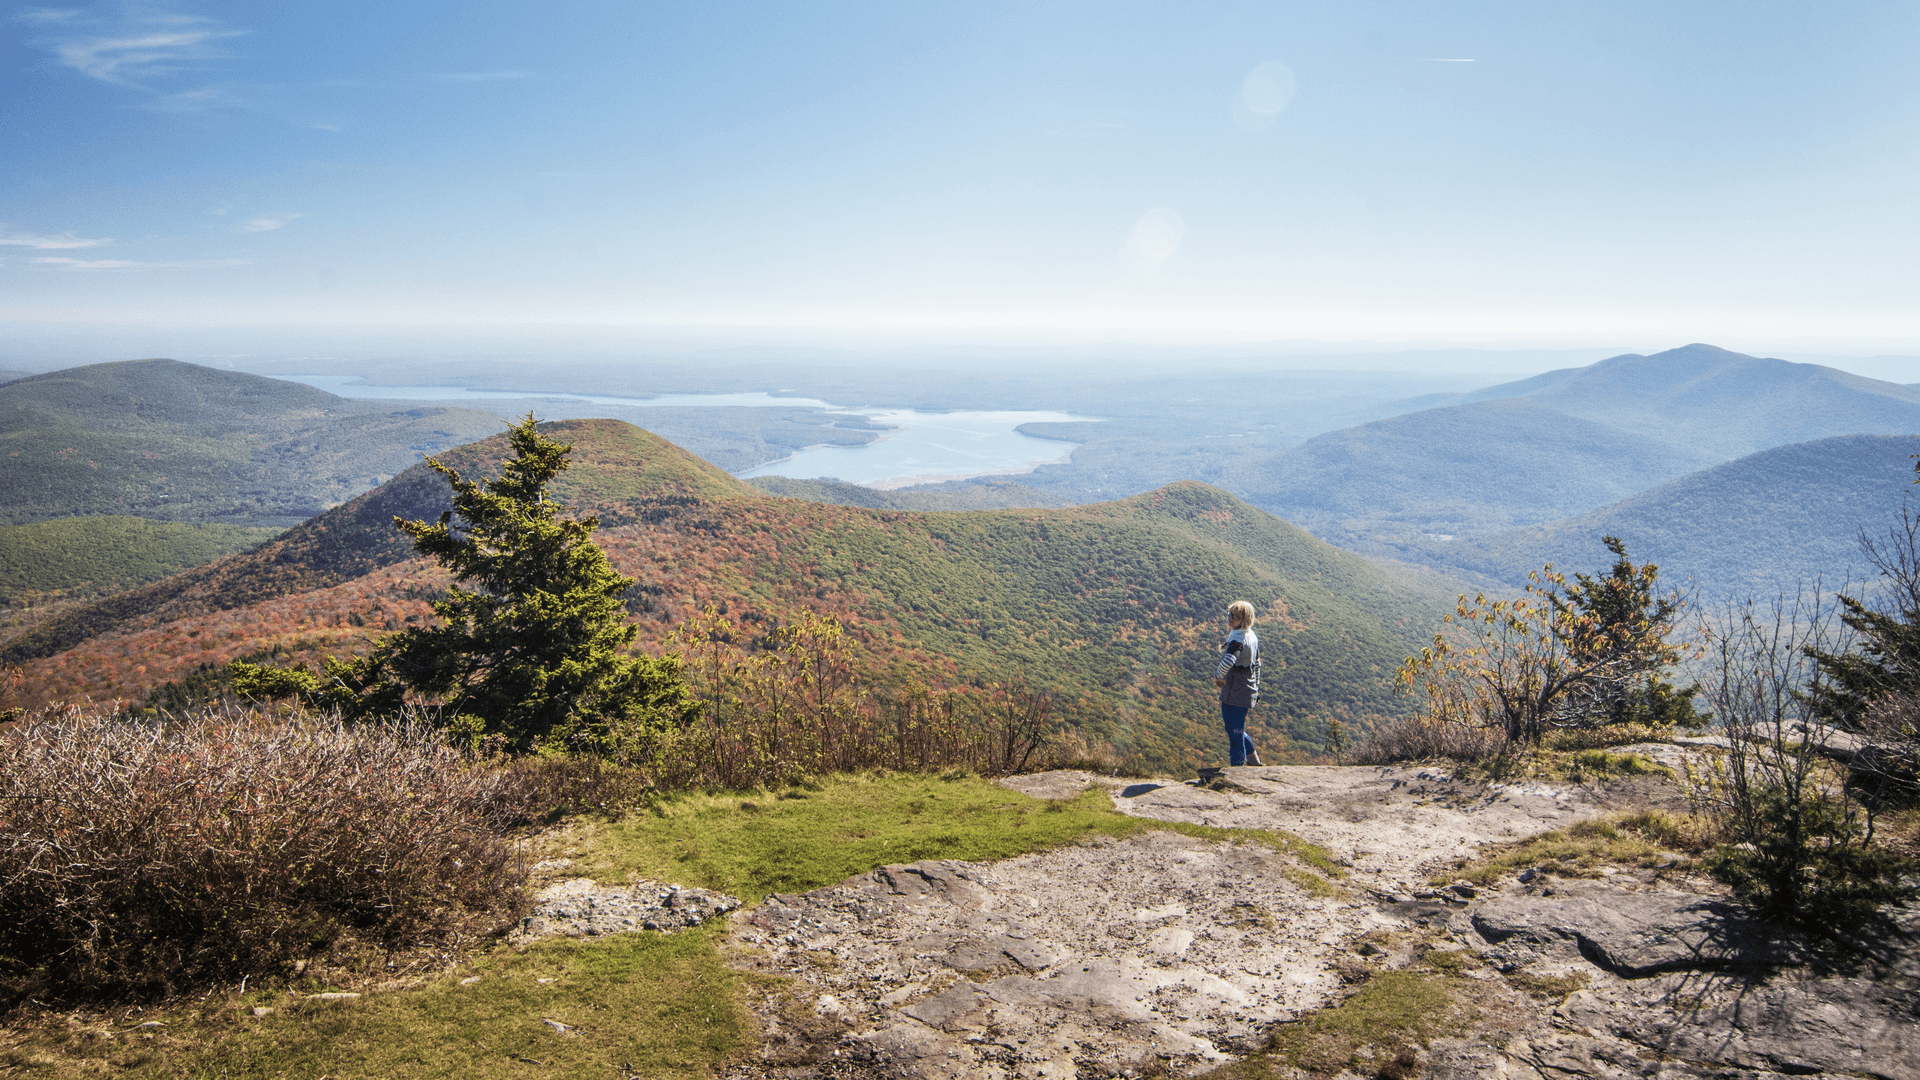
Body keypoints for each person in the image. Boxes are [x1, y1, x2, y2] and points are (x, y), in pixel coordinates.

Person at [1213, 600, 1263, 767]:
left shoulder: (1238, 639)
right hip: (1246, 690)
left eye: (1234, 616)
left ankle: (1238, 773)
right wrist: (1256, 688)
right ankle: (1254, 761)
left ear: (1244, 619)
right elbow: (1257, 664)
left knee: (1234, 734)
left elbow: (1228, 660)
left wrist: (1218, 676)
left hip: (1235, 692)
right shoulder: (1251, 636)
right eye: (1229, 614)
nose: (1230, 618)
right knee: (1236, 730)